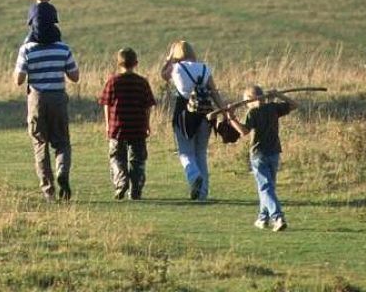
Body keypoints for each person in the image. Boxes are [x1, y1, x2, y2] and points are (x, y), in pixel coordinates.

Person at [14, 29, 79, 201]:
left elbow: (18, 80)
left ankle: (48, 191)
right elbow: (75, 76)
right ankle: (62, 171)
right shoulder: (63, 49)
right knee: (62, 142)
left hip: (37, 100)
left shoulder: (27, 49)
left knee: (40, 143)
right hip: (58, 98)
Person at [159, 40, 226, 201]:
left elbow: (163, 76)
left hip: (184, 113)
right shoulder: (204, 68)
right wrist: (224, 111)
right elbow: (214, 93)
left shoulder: (176, 68)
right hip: (205, 113)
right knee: (201, 153)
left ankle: (194, 176)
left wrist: (169, 59)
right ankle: (202, 193)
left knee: (185, 152)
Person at [226, 85, 298, 231]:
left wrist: (231, 117)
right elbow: (295, 105)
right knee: (267, 187)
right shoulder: (273, 107)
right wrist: (279, 95)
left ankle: (277, 217)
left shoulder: (252, 112)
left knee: (265, 188)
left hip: (259, 154)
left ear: (250, 100)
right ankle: (262, 218)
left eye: (246, 101)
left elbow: (243, 131)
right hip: (274, 153)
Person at [97, 48, 156, 200]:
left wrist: (107, 124)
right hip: (137, 126)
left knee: (116, 157)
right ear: (136, 63)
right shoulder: (142, 82)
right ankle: (135, 188)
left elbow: (106, 104)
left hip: (117, 126)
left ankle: (121, 181)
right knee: (137, 159)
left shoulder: (112, 82)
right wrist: (147, 124)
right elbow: (147, 105)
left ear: (118, 63)